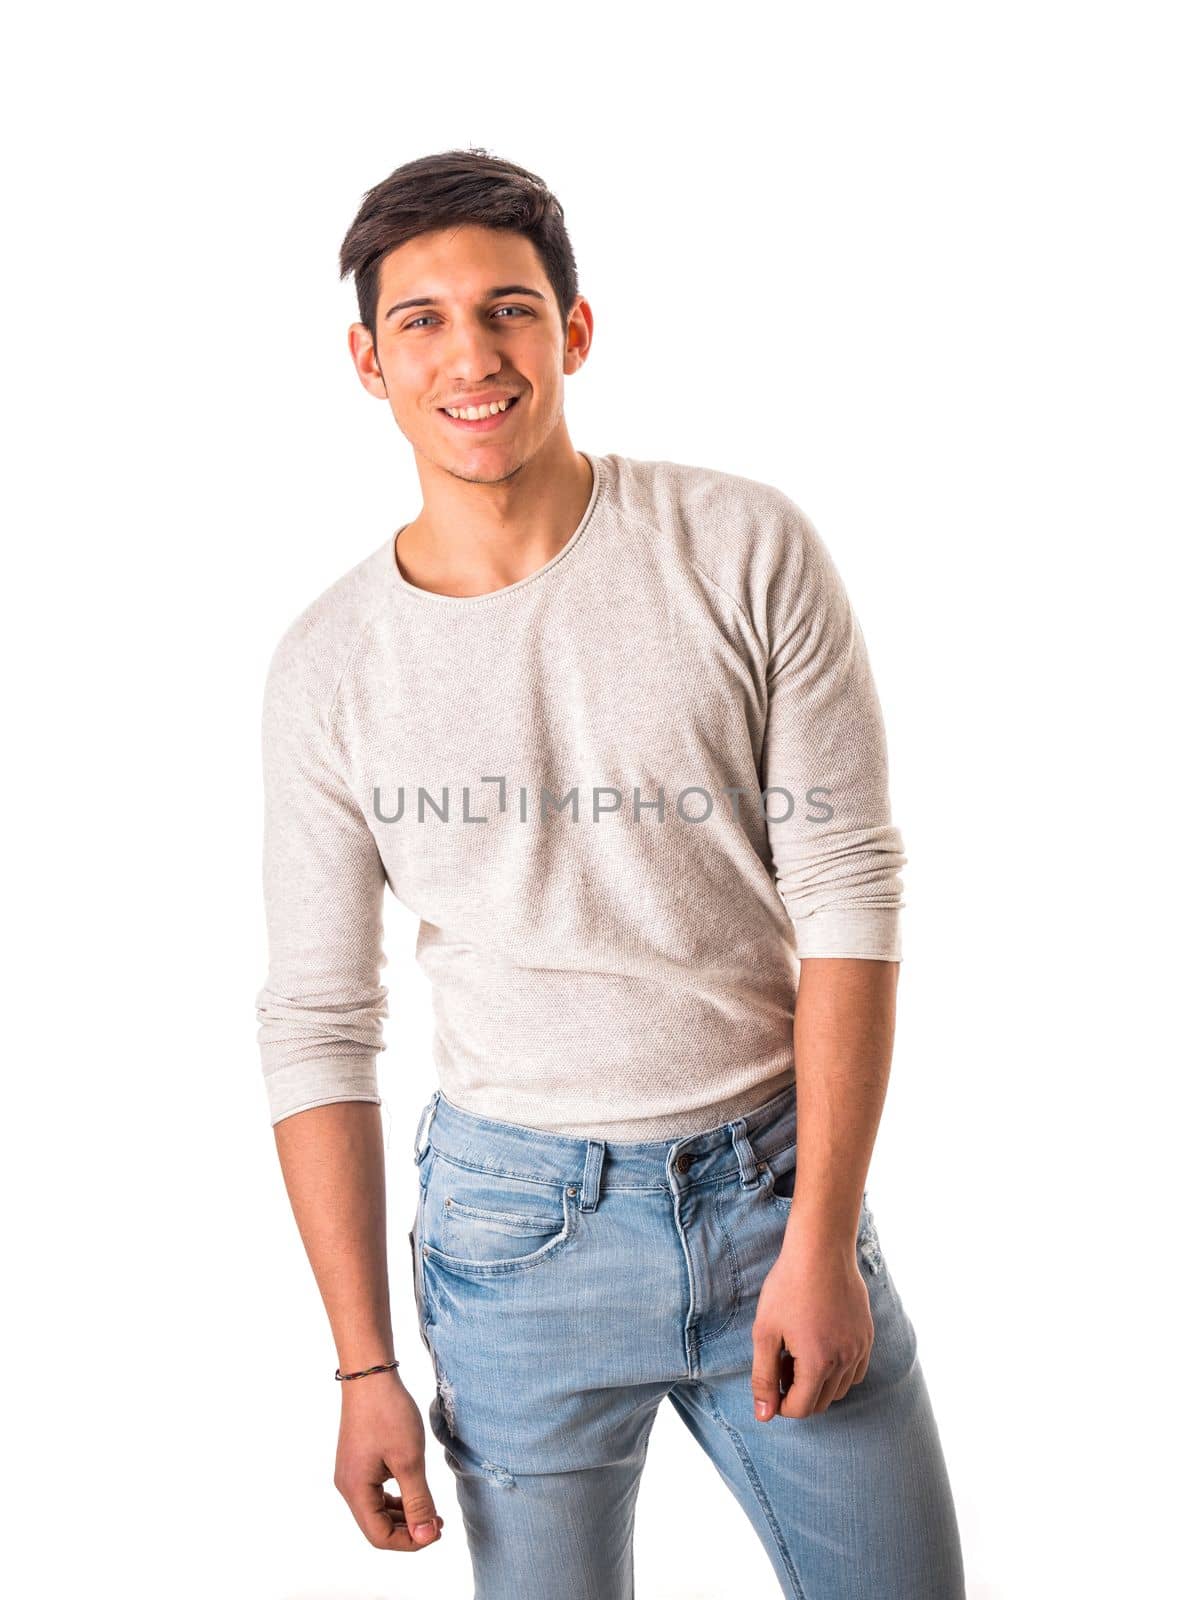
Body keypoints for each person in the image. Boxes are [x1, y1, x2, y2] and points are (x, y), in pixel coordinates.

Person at [255, 147, 967, 1599]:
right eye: (425, 322)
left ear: (574, 333)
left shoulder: (741, 547)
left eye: (510, 311)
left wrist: (822, 1238)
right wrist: (363, 1366)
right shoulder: (329, 665)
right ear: (367, 362)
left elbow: (847, 888)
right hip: (517, 1243)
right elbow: (316, 1020)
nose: (473, 356)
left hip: (776, 1183)